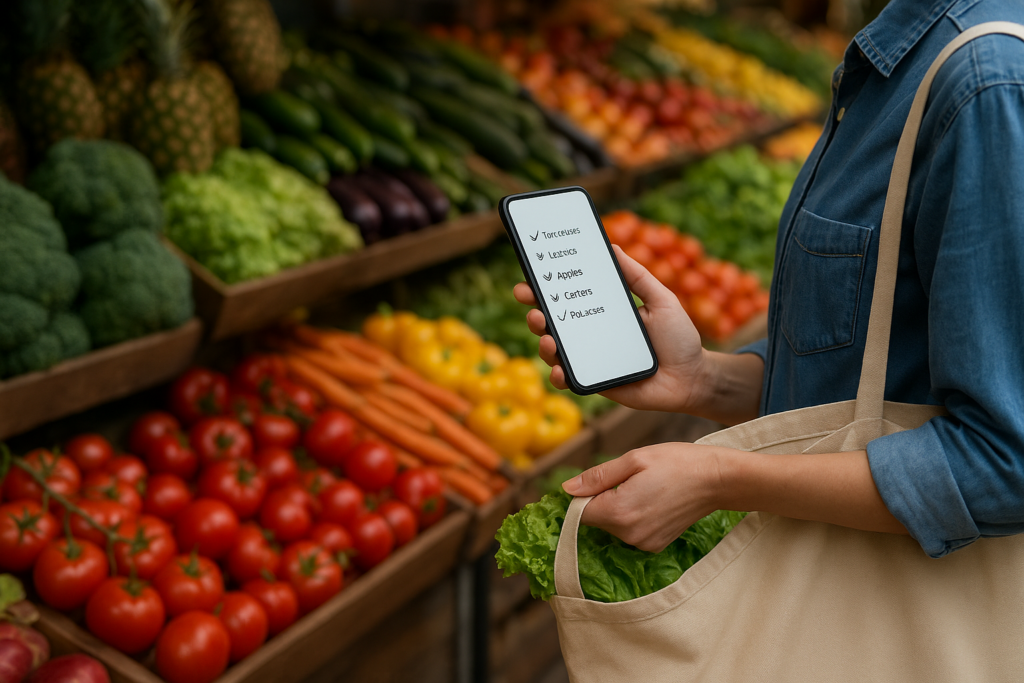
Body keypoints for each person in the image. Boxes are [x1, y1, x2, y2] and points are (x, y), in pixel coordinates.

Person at [514, 0, 1024, 559]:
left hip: (894, 600)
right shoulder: (903, 63)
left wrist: (721, 477)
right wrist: (705, 380)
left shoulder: (985, 80)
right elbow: (864, 380)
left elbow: (1007, 463)